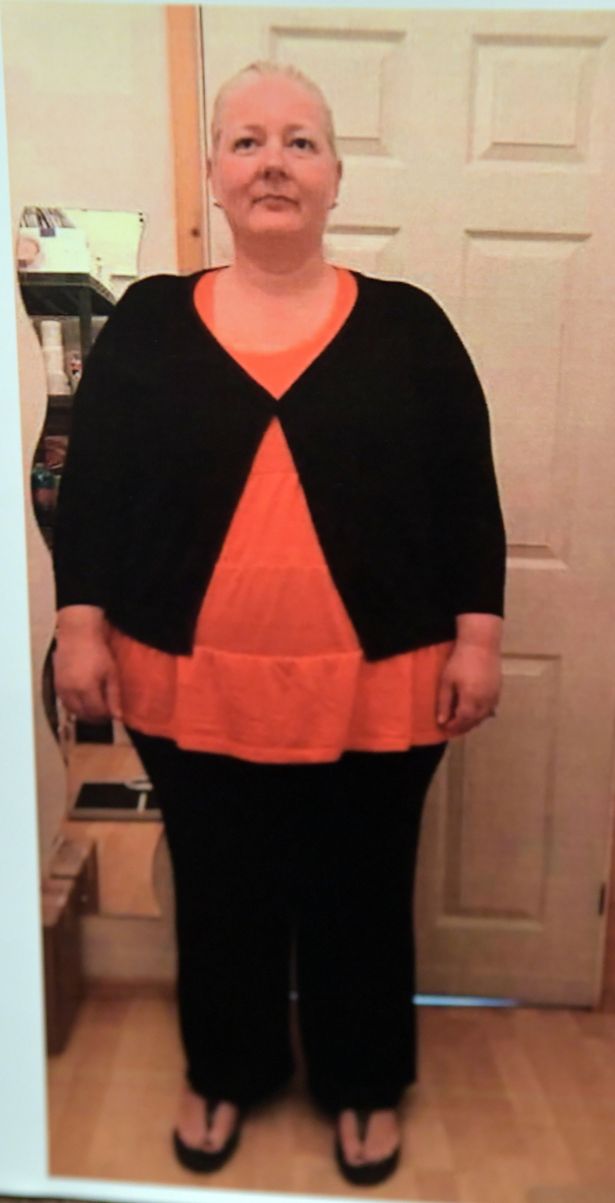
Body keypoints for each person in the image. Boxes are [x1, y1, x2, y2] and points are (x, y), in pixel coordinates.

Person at [52, 61, 506, 1187]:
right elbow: (95, 485)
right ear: (213, 172)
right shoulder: (150, 323)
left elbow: (465, 490)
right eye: (246, 140)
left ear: (336, 176)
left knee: (362, 891)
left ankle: (362, 1083)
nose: (273, 163)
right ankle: (227, 1071)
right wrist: (80, 625)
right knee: (221, 891)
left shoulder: (410, 327)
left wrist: (480, 637)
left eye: (300, 142)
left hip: (383, 681)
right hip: (188, 680)